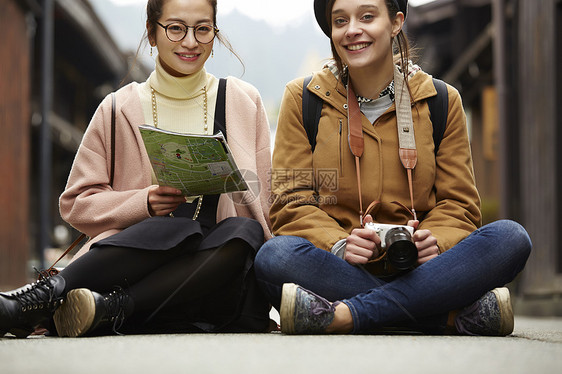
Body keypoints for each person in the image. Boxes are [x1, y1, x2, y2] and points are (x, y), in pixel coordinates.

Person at [254, 0, 531, 335]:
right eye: (340, 20)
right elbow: (290, 202)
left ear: (396, 22)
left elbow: (459, 204)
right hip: (339, 267)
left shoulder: (442, 100)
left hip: (424, 268)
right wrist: (339, 244)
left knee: (511, 238)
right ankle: (447, 316)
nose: (352, 29)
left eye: (367, 16)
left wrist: (437, 241)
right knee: (275, 257)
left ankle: (343, 314)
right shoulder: (303, 98)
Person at [0, 0, 272, 338]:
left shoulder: (244, 101)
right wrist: (142, 202)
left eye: (203, 29)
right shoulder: (118, 108)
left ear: (215, 34)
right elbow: (76, 204)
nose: (190, 42)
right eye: (176, 28)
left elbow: (266, 205)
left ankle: (107, 308)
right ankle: (41, 299)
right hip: (135, 264)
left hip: (211, 278)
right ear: (152, 33)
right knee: (175, 229)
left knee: (244, 232)